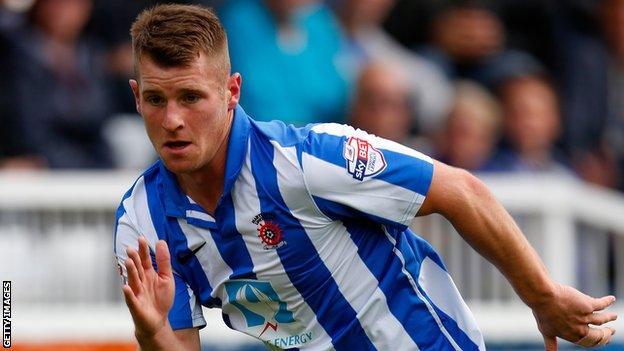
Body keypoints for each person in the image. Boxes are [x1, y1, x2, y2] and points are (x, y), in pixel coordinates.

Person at [113, 4, 617, 350]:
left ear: (232, 91)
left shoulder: (307, 159)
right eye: (156, 100)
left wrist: (543, 297)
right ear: (136, 97)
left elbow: (461, 190)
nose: (172, 119)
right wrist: (153, 334)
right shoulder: (143, 220)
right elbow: (174, 342)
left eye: (191, 97)